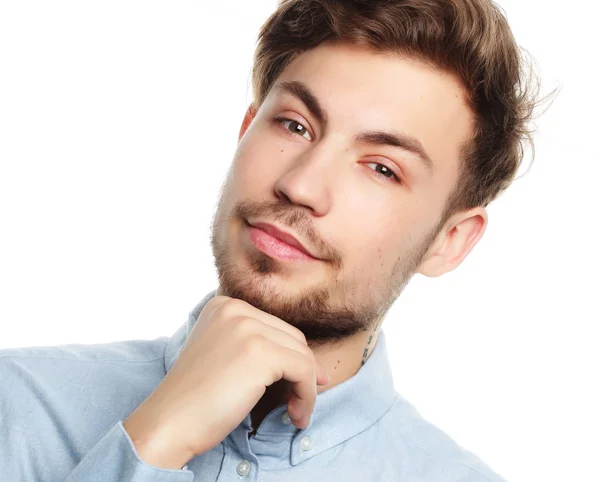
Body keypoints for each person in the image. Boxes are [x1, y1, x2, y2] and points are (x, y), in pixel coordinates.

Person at [0, 0, 547, 480]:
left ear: (449, 241)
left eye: (381, 168)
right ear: (246, 130)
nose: (300, 184)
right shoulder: (16, 404)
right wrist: (157, 440)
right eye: (295, 125)